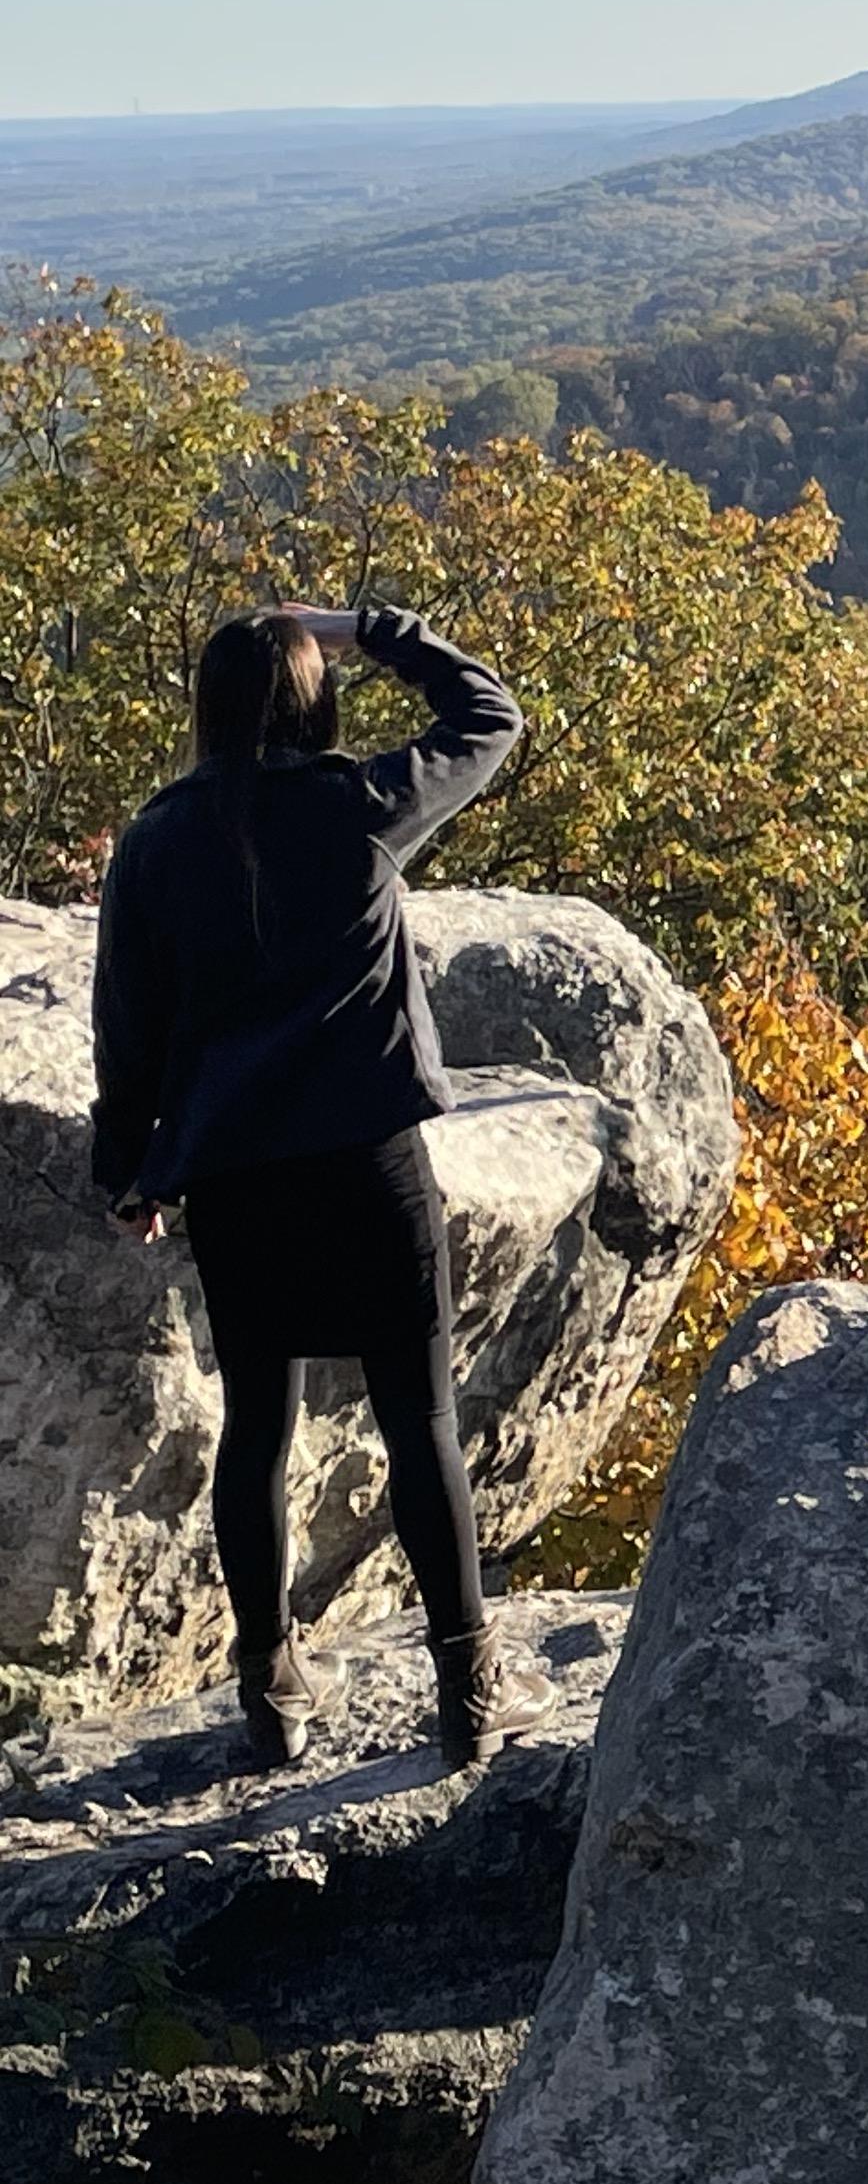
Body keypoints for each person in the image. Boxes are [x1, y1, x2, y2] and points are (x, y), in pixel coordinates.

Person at [91, 602, 551, 1772]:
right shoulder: (359, 811)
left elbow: (128, 1030)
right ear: (314, 699)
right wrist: (369, 627)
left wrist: (128, 1171)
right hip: (368, 1169)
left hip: (238, 1184)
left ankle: (274, 1687)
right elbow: (491, 715)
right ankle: (470, 1686)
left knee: (260, 1426)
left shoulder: (157, 842)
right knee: (421, 1424)